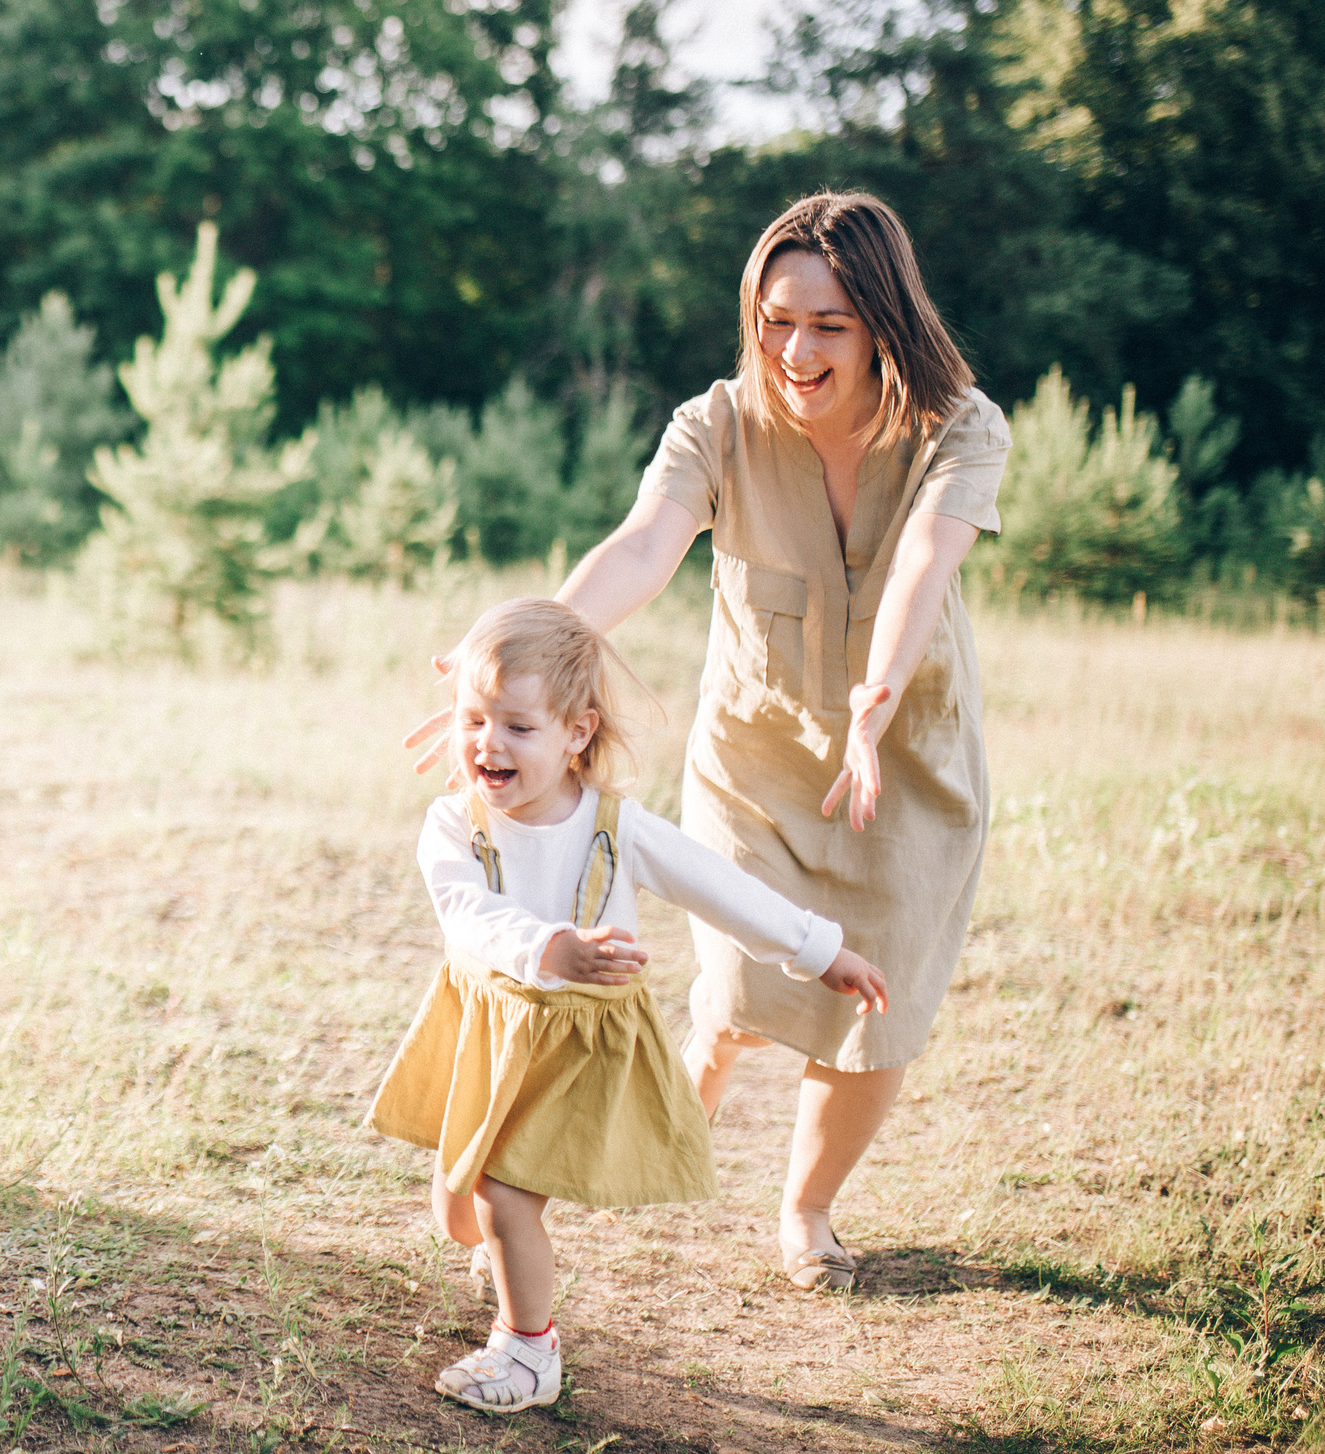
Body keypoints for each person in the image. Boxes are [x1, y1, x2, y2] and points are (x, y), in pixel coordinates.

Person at [413, 190, 1012, 1294]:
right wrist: (516, 654)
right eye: (775, 321)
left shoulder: (959, 426)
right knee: (737, 984)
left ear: (884, 323)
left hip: (901, 759)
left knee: (870, 1005)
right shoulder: (717, 425)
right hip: (755, 749)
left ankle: (806, 1209)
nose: (795, 351)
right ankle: (702, 1064)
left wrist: (875, 701)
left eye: (827, 325)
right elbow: (645, 544)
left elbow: (924, 565)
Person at [370, 597, 888, 1415]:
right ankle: (506, 1254)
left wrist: (820, 950)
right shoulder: (452, 823)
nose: (487, 744)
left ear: (576, 732)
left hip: (578, 1045)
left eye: (518, 726)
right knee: (461, 1212)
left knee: (504, 1195)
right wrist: (549, 945)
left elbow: (720, 888)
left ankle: (528, 1352)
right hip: (487, 1026)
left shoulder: (616, 827)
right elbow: (464, 912)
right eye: (473, 719)